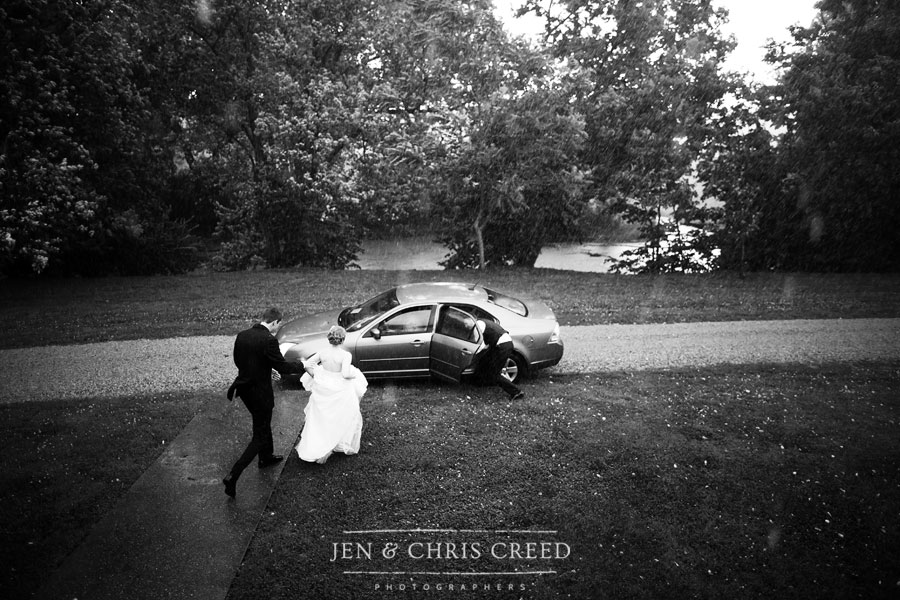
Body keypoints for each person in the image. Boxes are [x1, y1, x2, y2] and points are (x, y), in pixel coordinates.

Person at [223, 308, 302, 499]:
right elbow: (283, 367)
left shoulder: (242, 335)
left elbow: (240, 361)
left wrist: (264, 370)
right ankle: (233, 475)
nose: (277, 328)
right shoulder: (269, 340)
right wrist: (302, 364)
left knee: (262, 423)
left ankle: (266, 457)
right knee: (259, 434)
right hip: (260, 394)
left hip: (244, 390)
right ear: (274, 322)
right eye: (279, 324)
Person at [295, 325, 367, 464]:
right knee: (340, 416)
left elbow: (308, 364)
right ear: (342, 340)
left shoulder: (322, 352)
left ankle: (318, 445)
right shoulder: (345, 355)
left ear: (329, 338)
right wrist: (353, 375)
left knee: (321, 418)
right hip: (340, 388)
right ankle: (336, 442)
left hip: (324, 388)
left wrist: (317, 376)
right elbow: (345, 374)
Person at [475, 318, 525, 401]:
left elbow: (481, 345)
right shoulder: (482, 322)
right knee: (485, 362)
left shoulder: (479, 325)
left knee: (494, 373)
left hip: (503, 346)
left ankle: (517, 392)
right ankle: (481, 382)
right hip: (499, 344)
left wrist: (474, 355)